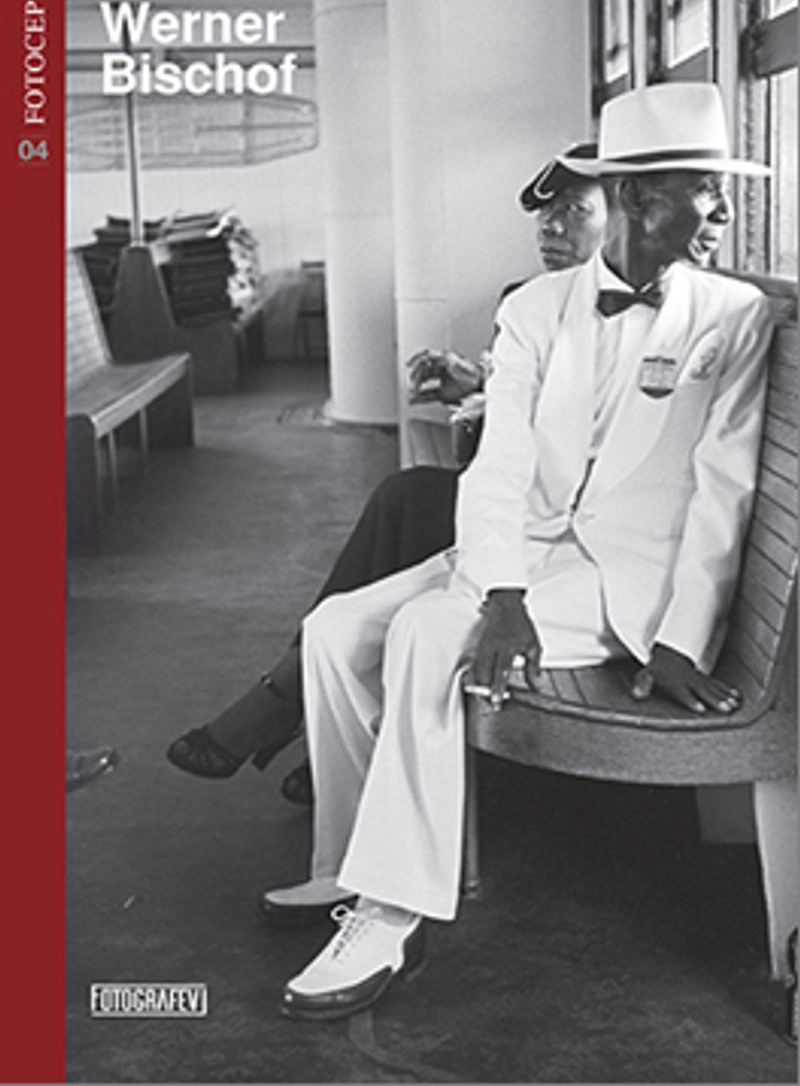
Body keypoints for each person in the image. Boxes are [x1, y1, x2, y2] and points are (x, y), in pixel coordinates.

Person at [261, 82, 773, 1022]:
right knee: (334, 629)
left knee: (425, 632)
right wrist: (502, 590)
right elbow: (498, 465)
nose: (725, 213)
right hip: (526, 553)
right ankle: (344, 865)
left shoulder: (734, 315)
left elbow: (725, 486)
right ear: (637, 196)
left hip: (624, 581)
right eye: (707, 189)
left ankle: (392, 913)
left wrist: (680, 639)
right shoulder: (536, 309)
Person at [166, 143, 607, 799]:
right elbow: (536, 417)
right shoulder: (532, 302)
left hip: (571, 532)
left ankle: (295, 704)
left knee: (409, 503)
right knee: (409, 504)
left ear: (627, 216)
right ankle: (320, 718)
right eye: (546, 214)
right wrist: (474, 386)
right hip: (527, 502)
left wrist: (488, 407)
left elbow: (589, 443)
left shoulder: (649, 316)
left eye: (574, 211)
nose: (550, 226)